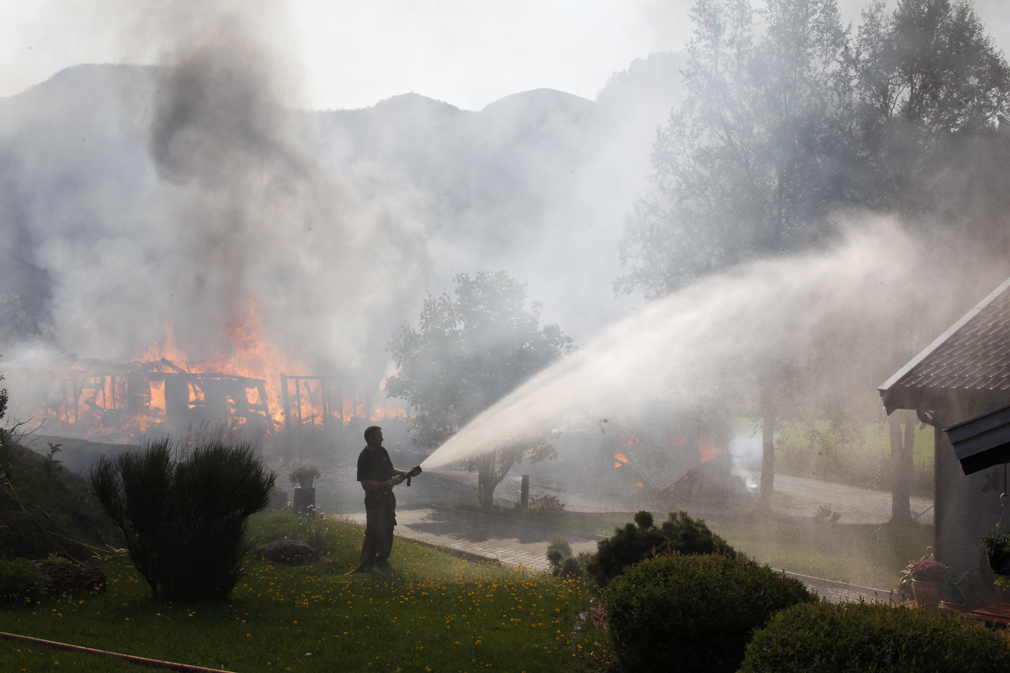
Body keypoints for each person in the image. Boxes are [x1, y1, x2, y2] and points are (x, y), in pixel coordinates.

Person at [351, 425, 421, 573]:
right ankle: (366, 564)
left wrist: (407, 473)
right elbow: (365, 484)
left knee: (388, 528)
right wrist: (383, 484)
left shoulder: (382, 451)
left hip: (388, 498)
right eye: (379, 436)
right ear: (371, 439)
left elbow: (390, 470)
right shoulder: (364, 457)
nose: (382, 439)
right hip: (374, 500)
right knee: (374, 530)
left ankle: (382, 559)